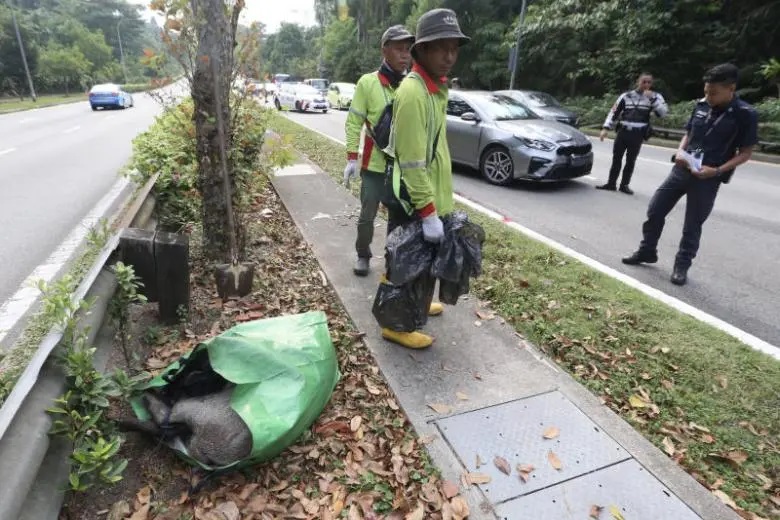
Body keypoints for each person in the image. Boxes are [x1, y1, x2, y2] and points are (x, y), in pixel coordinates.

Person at [377, 8, 470, 350]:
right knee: (402, 259)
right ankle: (395, 325)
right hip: (413, 198)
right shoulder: (415, 93)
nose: (449, 56)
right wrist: (428, 211)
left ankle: (415, 305)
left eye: (454, 48)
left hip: (428, 196)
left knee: (419, 261)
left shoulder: (435, 90)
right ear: (423, 50)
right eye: (441, 48)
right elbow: (414, 162)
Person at [622, 63, 758, 286]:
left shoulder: (745, 114)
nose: (708, 96)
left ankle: (681, 266)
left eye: (714, 93)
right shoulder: (701, 105)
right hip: (682, 168)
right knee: (655, 209)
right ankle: (647, 250)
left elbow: (745, 153)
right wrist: (680, 151)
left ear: (731, 88)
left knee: (692, 225)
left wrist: (717, 170)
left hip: (708, 175)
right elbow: (689, 133)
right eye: (706, 91)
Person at [343, 25, 415, 277]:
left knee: (398, 219)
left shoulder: (410, 84)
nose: (404, 55)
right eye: (398, 49)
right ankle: (363, 254)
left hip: (401, 168)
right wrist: (352, 157)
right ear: (385, 50)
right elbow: (353, 121)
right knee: (366, 217)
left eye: (408, 50)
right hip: (373, 166)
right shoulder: (368, 83)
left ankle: (393, 260)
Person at [598, 73, 669, 195]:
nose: (646, 85)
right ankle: (611, 183)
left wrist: (652, 99)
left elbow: (663, 113)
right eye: (644, 82)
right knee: (616, 158)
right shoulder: (626, 96)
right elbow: (614, 112)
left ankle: (624, 185)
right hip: (623, 131)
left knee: (631, 160)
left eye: (649, 82)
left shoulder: (656, 96)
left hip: (638, 133)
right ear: (638, 82)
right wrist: (605, 128)